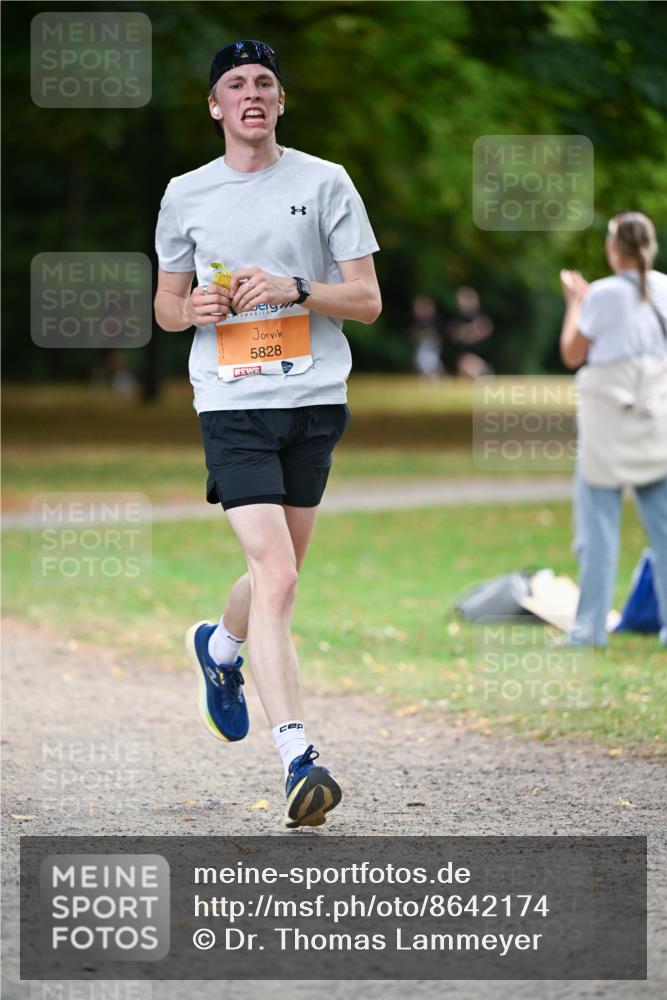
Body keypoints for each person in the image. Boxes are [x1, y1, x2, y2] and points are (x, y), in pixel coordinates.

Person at [153, 40, 381, 826]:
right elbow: (166, 306)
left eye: (265, 83)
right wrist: (194, 312)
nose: (252, 93)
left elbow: (366, 300)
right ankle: (299, 759)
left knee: (276, 576)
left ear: (280, 103)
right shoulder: (185, 194)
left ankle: (220, 649)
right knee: (278, 579)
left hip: (314, 399)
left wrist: (295, 289)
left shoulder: (326, 183)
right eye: (235, 85)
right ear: (215, 107)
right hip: (231, 402)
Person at [559, 211, 667, 647]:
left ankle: (589, 629)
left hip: (608, 426)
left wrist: (574, 303)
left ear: (612, 249)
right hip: (654, 419)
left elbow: (572, 353)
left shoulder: (601, 295)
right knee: (663, 528)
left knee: (597, 530)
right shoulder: (665, 287)